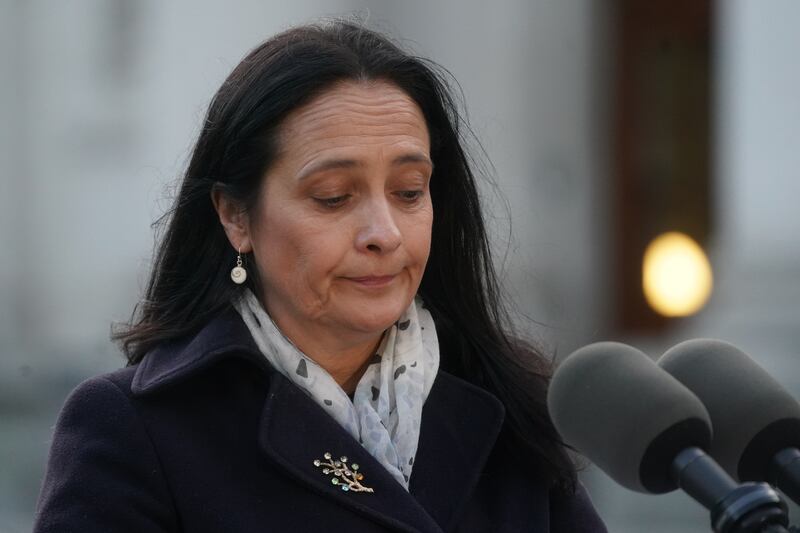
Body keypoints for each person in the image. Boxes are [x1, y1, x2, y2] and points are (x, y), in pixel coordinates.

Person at [33, 21, 607, 532]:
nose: (384, 232)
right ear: (236, 217)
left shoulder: (507, 414)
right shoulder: (138, 430)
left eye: (410, 192)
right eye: (333, 198)